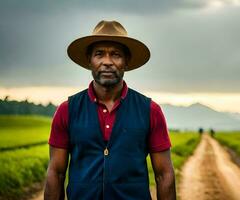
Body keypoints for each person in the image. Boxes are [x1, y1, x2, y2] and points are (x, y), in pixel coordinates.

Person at [44, 20, 176, 200]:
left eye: (115, 54)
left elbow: (164, 174)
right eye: (99, 54)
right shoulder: (67, 110)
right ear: (90, 60)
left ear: (126, 62)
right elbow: (55, 173)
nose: (107, 62)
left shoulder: (150, 110)